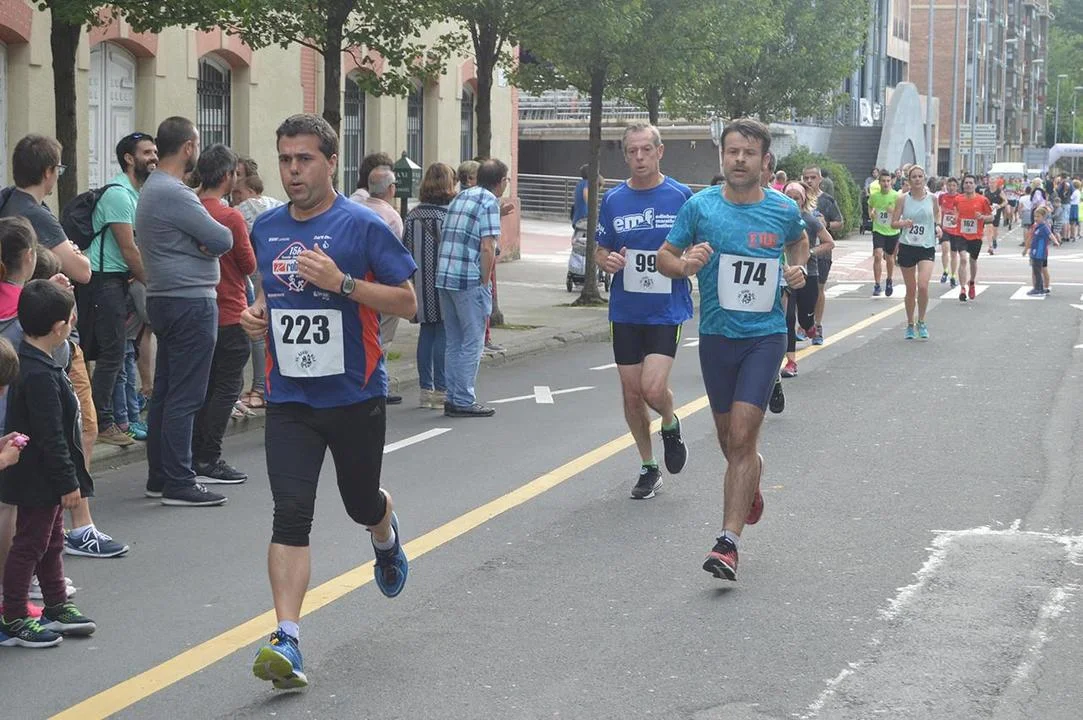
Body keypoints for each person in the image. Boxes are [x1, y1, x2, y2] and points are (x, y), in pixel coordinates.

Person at [240, 113, 415, 690]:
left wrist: (342, 283)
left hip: (354, 395)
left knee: (360, 501)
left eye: (304, 159)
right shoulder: (266, 228)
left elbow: (408, 302)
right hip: (290, 397)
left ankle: (384, 532)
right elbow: (269, 291)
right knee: (290, 513)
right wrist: (257, 314)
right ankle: (287, 638)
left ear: (331, 162)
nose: (293, 170)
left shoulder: (362, 225)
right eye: (285, 159)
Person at [658, 118, 808, 581]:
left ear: (765, 161)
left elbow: (799, 242)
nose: (739, 160)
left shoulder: (782, 209)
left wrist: (797, 269)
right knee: (729, 441)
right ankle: (750, 483)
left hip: (765, 335)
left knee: (742, 435)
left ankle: (727, 544)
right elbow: (665, 257)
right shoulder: (700, 207)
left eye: (748, 153)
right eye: (732, 152)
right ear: (722, 156)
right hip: (717, 337)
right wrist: (684, 265)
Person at [0, 135, 125, 559]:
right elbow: (83, 270)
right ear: (50, 172)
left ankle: (53, 532)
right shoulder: (36, 216)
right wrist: (72, 255)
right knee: (79, 428)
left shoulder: (7, 202)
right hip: (51, 338)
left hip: (31, 337)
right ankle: (77, 525)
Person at [135, 117, 234, 506]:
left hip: (165, 298)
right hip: (189, 301)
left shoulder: (153, 188)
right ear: (189, 147)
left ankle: (160, 476)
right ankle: (179, 480)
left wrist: (199, 242)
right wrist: (202, 244)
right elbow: (222, 238)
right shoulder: (175, 193)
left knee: (165, 392)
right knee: (186, 395)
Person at [595, 122, 692, 500]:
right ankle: (649, 466)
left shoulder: (680, 196)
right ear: (625, 156)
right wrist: (607, 261)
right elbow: (601, 249)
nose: (639, 157)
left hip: (666, 309)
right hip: (625, 310)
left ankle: (669, 420)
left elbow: (698, 245)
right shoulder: (614, 199)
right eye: (632, 151)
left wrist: (686, 262)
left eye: (646, 150)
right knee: (632, 393)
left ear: (659, 151)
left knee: (652, 388)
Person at [0, 280, 96, 647]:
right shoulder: (38, 373)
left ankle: (56, 603)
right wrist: (68, 482)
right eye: (71, 318)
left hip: (42, 477)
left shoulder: (36, 362)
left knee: (52, 540)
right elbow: (52, 436)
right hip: (38, 478)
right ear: (60, 328)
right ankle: (14, 616)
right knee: (30, 544)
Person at [81, 132, 156, 448]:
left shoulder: (135, 194)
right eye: (147, 152)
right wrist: (154, 284)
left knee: (117, 352)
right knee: (111, 353)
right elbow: (129, 249)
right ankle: (102, 422)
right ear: (129, 158)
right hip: (104, 281)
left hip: (119, 281)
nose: (153, 157)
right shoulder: (119, 195)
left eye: (155, 152)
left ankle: (110, 419)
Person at [192, 144, 255, 484]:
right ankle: (209, 457)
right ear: (228, 176)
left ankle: (192, 454)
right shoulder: (230, 217)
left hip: (197, 310)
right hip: (230, 309)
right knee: (228, 387)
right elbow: (249, 264)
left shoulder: (188, 209)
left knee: (202, 387)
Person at [435, 159, 509, 417]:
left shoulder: (461, 197)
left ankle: (452, 396)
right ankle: (464, 399)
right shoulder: (490, 202)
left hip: (445, 276)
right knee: (473, 341)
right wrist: (485, 281)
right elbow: (488, 246)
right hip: (469, 278)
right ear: (500, 182)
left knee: (454, 341)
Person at [403, 163, 455, 409]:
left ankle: (425, 389)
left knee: (426, 332)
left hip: (419, 283)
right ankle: (441, 390)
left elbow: (404, 249)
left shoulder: (412, 216)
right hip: (444, 280)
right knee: (443, 332)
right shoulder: (448, 216)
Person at [780, 181, 833, 377]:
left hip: (807, 273)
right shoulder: (776, 218)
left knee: (804, 317)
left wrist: (810, 252)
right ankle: (791, 362)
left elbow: (829, 243)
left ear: (803, 200)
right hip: (785, 274)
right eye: (789, 197)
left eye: (797, 198)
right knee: (788, 317)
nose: (793, 201)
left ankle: (810, 326)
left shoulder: (810, 220)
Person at [890, 166, 940, 339]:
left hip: (926, 246)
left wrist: (938, 227)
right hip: (907, 246)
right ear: (909, 180)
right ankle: (910, 323)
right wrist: (903, 223)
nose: (917, 179)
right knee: (911, 289)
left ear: (924, 178)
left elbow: (937, 215)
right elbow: (893, 223)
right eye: (914, 177)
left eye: (920, 176)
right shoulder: (902, 199)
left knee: (923, 286)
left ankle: (922, 321)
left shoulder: (932, 198)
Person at [801, 167, 842, 345]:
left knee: (818, 288)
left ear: (820, 179)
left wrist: (827, 224)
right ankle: (803, 325)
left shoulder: (827, 200)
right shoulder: (797, 198)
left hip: (821, 251)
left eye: (813, 177)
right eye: (806, 178)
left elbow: (840, 222)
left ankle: (817, 326)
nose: (809, 181)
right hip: (799, 252)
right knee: (799, 290)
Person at [953, 174, 994, 302]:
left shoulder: (982, 200)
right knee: (963, 259)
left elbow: (991, 217)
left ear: (975, 185)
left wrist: (982, 217)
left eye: (971, 183)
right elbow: (955, 212)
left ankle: (971, 282)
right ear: (963, 185)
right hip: (961, 234)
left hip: (976, 235)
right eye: (966, 183)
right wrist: (955, 218)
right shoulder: (958, 199)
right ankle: (962, 288)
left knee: (972, 260)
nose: (968, 185)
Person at [867, 172, 900, 296]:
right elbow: (870, 206)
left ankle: (889, 280)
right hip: (878, 230)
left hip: (892, 231)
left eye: (888, 181)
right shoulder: (875, 196)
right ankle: (877, 284)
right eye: (883, 181)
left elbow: (901, 212)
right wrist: (871, 214)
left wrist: (893, 212)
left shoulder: (896, 196)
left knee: (890, 257)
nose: (886, 183)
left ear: (891, 182)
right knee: (878, 255)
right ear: (879, 182)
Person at [1023, 205, 1059, 295]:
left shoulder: (1044, 227)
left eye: (1038, 216)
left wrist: (1056, 241)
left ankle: (1038, 288)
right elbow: (1030, 238)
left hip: (1039, 253)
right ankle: (1040, 288)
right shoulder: (1036, 226)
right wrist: (1026, 249)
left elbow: (1050, 234)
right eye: (1035, 216)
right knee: (1037, 270)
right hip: (1035, 252)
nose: (1036, 218)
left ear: (1043, 217)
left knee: (1037, 271)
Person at [937, 177, 960, 287]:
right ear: (946, 186)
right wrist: (938, 223)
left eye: (954, 186)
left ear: (957, 187)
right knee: (945, 248)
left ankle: (953, 276)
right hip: (945, 228)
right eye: (949, 185)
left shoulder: (960, 198)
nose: (951, 188)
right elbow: (938, 210)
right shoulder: (942, 197)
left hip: (955, 229)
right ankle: (945, 270)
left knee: (954, 253)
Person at [984, 179, 1006, 254]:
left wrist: (999, 206)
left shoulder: (999, 191)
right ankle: (990, 246)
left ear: (996, 184)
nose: (991, 184)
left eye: (993, 183)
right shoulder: (986, 191)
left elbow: (1005, 201)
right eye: (990, 182)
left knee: (994, 229)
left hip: (996, 211)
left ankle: (994, 239)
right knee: (988, 228)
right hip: (988, 211)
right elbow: (983, 200)